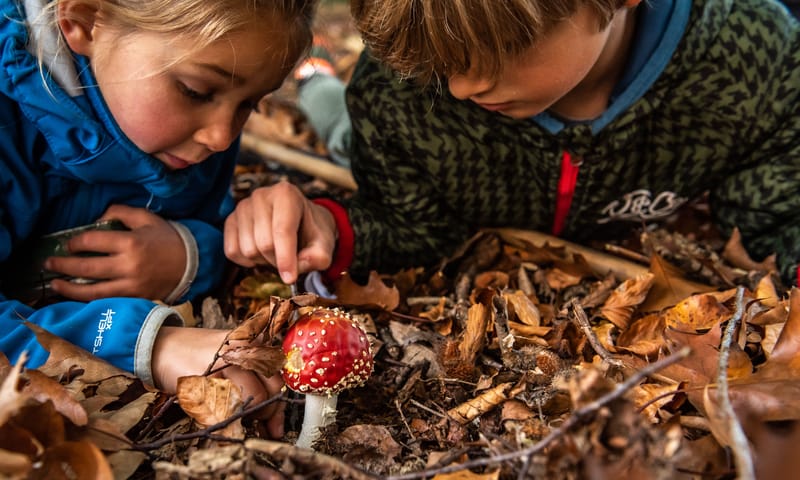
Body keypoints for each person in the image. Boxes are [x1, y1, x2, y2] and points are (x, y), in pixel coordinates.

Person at [225, 0, 800, 293]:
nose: (463, 87)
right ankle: (317, 80)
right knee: (345, 133)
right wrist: (333, 229)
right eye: (445, 63)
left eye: (504, 50)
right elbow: (409, 222)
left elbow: (779, 208)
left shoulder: (754, 56)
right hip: (380, 140)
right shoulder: (406, 93)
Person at [0, 0, 317, 438]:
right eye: (195, 90)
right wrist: (151, 345)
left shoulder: (192, 142)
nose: (222, 137)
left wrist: (191, 255)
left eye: (250, 104)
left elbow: (209, 219)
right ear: (85, 22)